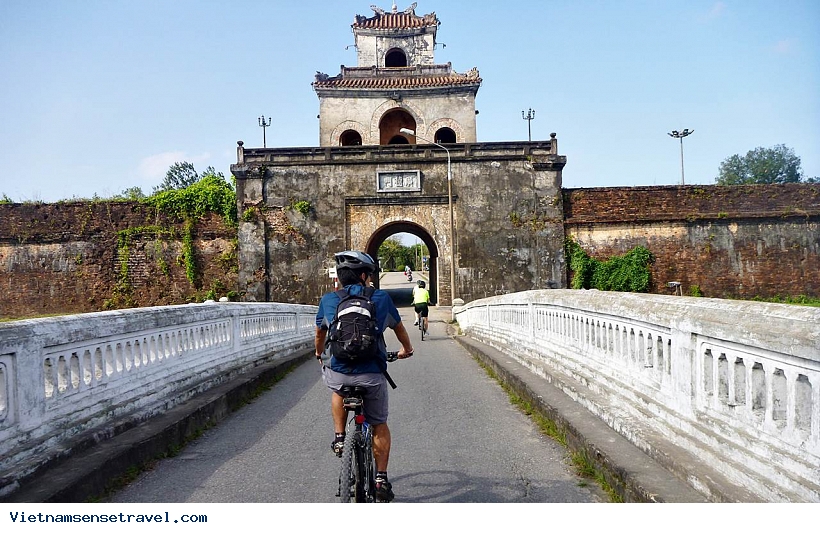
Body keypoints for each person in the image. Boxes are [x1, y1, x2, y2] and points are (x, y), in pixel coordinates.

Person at [315, 250, 414, 502]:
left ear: (339, 277)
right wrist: (406, 350)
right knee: (379, 423)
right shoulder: (380, 298)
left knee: (337, 387)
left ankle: (339, 437)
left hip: (340, 373)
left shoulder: (329, 300)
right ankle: (380, 478)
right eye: (368, 275)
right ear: (362, 275)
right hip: (372, 375)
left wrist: (319, 353)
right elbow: (399, 328)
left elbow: (320, 333)